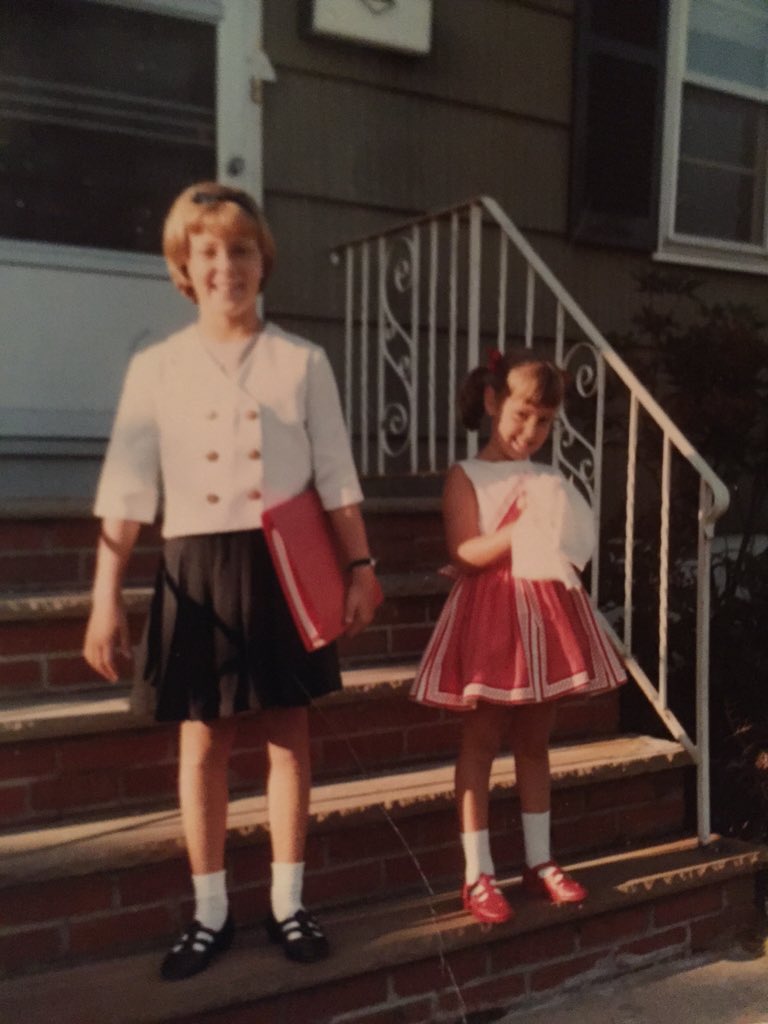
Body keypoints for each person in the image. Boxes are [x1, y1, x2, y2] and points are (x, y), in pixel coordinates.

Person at [83, 182, 381, 979]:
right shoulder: (158, 367)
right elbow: (126, 491)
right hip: (196, 566)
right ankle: (210, 911)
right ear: (185, 266)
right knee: (204, 741)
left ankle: (289, 902)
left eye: (241, 249)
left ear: (263, 260)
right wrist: (106, 595)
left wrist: (360, 568)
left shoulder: (301, 362)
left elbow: (337, 479)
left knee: (289, 737)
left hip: (281, 565)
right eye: (208, 252)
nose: (226, 266)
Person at [410, 348, 625, 924]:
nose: (531, 432)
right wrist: (518, 531)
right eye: (521, 414)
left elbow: (568, 541)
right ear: (491, 402)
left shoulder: (550, 476)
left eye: (545, 421)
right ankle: (476, 872)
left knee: (535, 742)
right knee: (480, 743)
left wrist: (556, 525)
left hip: (544, 617)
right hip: (490, 618)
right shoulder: (466, 475)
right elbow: (464, 552)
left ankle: (539, 859)